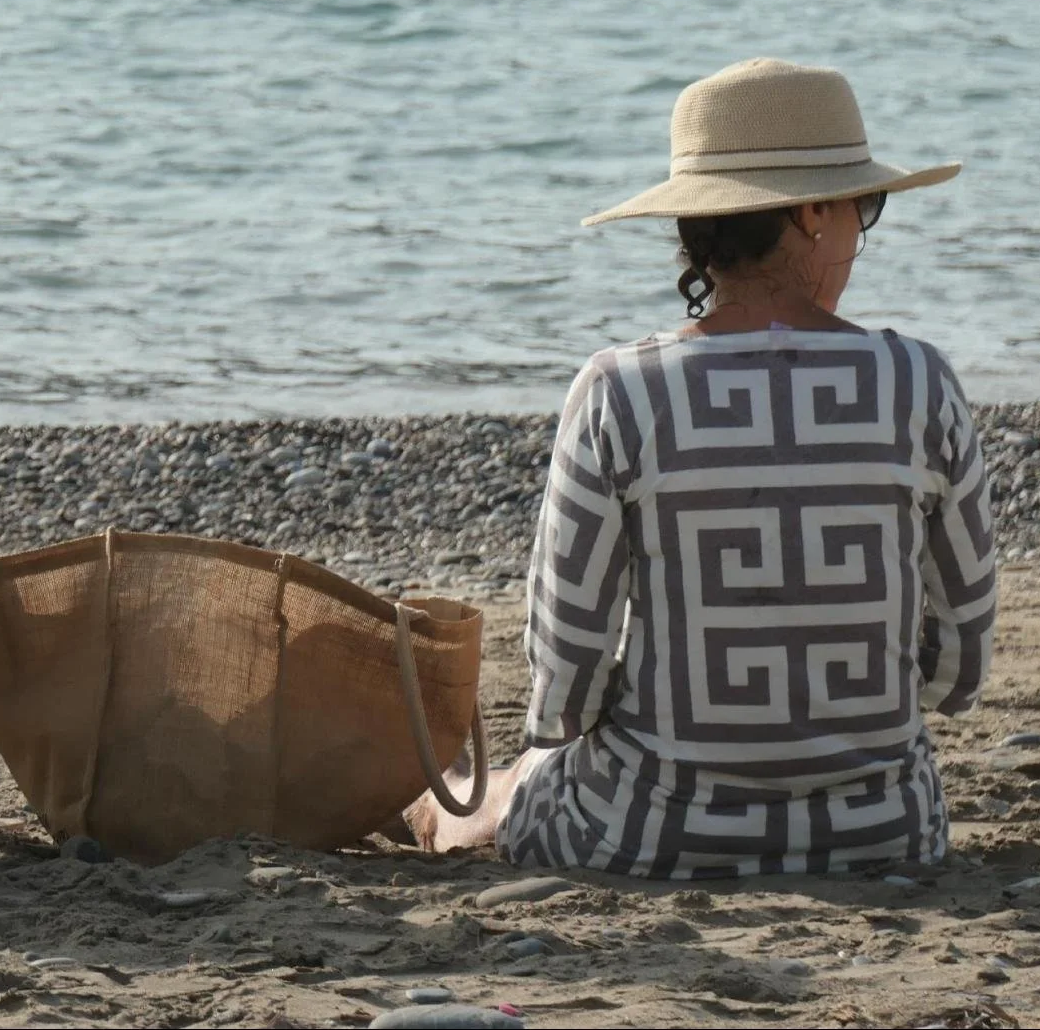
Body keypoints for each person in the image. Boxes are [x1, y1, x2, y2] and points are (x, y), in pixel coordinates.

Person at [406, 58, 997, 877]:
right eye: (865, 204)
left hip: (653, 830)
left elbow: (563, 690)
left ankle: (450, 807)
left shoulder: (619, 391)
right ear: (814, 212)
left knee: (511, 784)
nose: (863, 229)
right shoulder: (920, 381)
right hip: (888, 827)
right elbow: (959, 670)